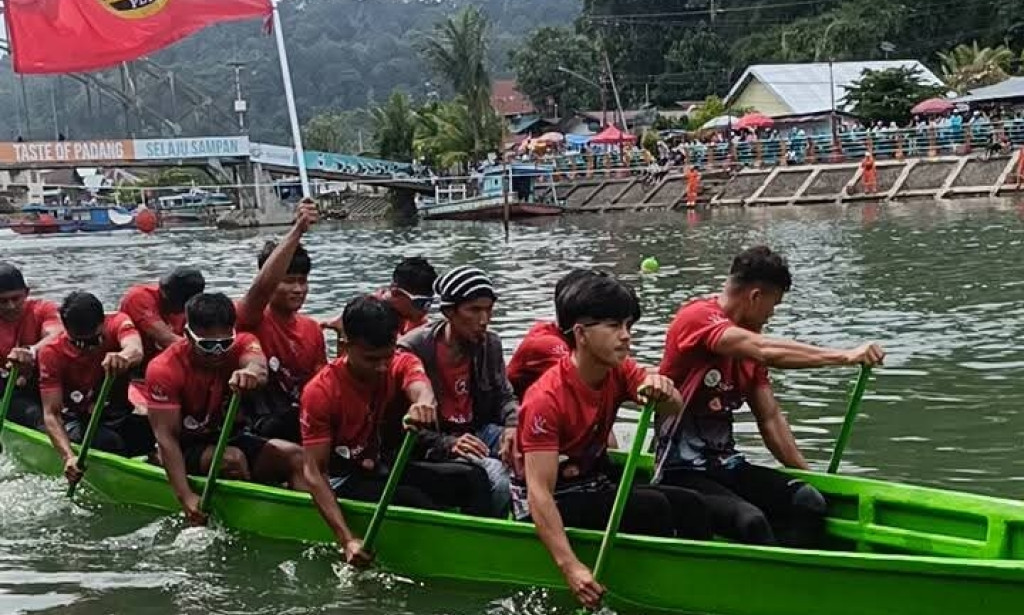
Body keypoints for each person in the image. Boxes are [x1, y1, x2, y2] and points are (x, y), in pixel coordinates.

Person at [655, 245, 886, 548]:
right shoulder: (697, 318)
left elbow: (770, 418)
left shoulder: (748, 352)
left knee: (808, 502)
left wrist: (810, 477)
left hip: (726, 466)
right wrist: (844, 356)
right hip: (680, 472)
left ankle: (802, 574)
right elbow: (765, 350)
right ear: (755, 297)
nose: (771, 315)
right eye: (773, 305)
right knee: (751, 521)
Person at [517, 270, 711, 609]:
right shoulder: (544, 399)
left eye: (628, 326)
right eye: (614, 327)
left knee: (691, 503)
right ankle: (660, 589)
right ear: (581, 334)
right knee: (654, 507)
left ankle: (697, 579)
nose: (625, 337)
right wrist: (572, 568)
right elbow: (539, 494)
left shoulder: (618, 369)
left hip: (593, 484)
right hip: (554, 500)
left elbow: (673, 408)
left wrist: (663, 390)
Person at [302, 296, 497, 564]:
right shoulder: (320, 391)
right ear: (346, 347)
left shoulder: (399, 361)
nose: (382, 367)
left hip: (383, 465)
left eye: (387, 356)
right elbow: (314, 472)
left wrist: (423, 405)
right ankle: (447, 559)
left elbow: (420, 388)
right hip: (344, 479)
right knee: (414, 499)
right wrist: (347, 539)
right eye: (372, 359)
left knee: (473, 478)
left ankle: (483, 553)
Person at [130, 293, 308, 526]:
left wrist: (250, 374)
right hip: (185, 446)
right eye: (208, 346)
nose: (217, 353)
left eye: (224, 344)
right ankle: (256, 517)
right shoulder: (163, 369)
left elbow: (258, 366)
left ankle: (305, 517)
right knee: (232, 460)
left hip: (227, 435)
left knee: (296, 456)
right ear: (188, 336)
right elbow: (167, 439)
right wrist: (186, 496)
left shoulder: (243, 342)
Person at [398, 266, 516, 517]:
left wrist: (513, 425)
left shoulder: (490, 343)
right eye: (474, 310)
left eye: (488, 310)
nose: (484, 320)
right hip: (434, 442)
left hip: (477, 429)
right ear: (449, 312)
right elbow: (401, 424)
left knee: (531, 448)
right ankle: (488, 532)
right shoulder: (413, 349)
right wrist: (448, 443)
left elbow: (504, 396)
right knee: (497, 475)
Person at [38, 292, 153, 487]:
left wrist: (122, 358)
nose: (87, 349)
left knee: (156, 429)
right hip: (76, 419)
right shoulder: (51, 353)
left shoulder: (118, 322)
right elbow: (51, 414)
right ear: (66, 330)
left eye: (94, 341)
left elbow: (135, 350)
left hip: (116, 413)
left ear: (103, 323)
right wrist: (68, 457)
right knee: (110, 442)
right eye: (78, 343)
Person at [236, 199, 327, 443]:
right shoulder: (251, 317)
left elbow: (320, 385)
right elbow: (262, 288)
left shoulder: (312, 329)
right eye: (288, 280)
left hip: (302, 420)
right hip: (259, 426)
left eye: (303, 281)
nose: (298, 289)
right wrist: (298, 230)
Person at [0, 263, 63, 428]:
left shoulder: (43, 309)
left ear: (27, 293)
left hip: (42, 383)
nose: (11, 306)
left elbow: (57, 334)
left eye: (16, 298)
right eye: (3, 301)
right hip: (6, 391)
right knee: (35, 416)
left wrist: (31, 351)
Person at [322, 256, 438, 343]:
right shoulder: (367, 314)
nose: (425, 310)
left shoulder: (413, 316)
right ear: (396, 292)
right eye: (420, 303)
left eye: (429, 303)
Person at [119, 266, 205, 363]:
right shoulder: (139, 297)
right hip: (135, 362)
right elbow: (166, 339)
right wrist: (207, 350)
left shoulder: (189, 310)